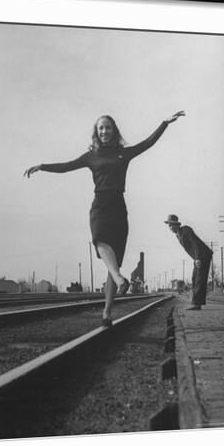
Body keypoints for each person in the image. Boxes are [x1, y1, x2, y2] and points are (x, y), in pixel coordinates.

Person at [24, 111, 185, 327]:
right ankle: (120, 279)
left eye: (108, 127)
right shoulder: (90, 156)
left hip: (119, 208)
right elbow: (66, 166)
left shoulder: (123, 153)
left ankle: (107, 313)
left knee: (113, 264)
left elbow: (147, 143)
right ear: (96, 132)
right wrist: (42, 166)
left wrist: (164, 124)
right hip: (99, 207)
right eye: (101, 128)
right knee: (99, 241)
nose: (104, 131)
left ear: (113, 131)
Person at [164, 214, 213, 310]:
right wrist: (196, 259)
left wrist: (198, 258)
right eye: (169, 225)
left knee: (199, 278)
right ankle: (196, 302)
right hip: (198, 257)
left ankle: (196, 304)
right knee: (195, 278)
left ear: (177, 224)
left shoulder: (186, 230)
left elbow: (195, 243)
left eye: (171, 225)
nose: (170, 227)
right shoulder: (178, 235)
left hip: (203, 255)